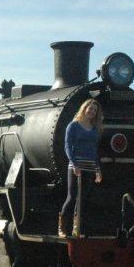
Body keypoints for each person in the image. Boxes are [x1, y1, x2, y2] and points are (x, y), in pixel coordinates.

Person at [59, 99, 103, 238]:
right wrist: (74, 164)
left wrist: (97, 170)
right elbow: (67, 146)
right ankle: (62, 228)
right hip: (75, 166)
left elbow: (94, 150)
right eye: (90, 109)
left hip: (90, 166)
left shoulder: (95, 129)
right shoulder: (73, 126)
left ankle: (77, 230)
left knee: (83, 199)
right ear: (84, 109)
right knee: (72, 197)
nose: (91, 112)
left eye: (94, 110)